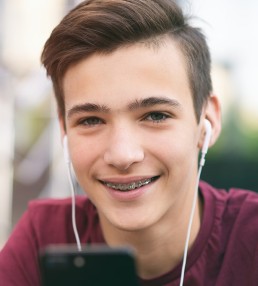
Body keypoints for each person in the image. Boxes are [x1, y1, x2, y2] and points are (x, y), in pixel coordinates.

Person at [1, 0, 258, 285]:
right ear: (64, 130)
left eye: (156, 115)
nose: (123, 155)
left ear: (207, 121)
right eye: (90, 120)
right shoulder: (44, 237)